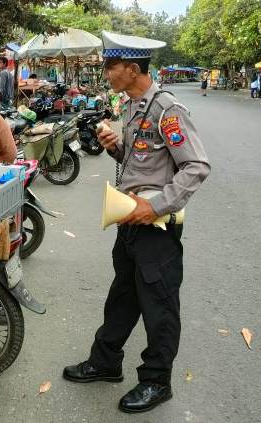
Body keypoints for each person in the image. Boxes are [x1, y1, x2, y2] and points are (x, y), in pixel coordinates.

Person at [62, 31, 210, 414]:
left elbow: (196, 167)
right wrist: (115, 147)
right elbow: (139, 161)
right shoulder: (131, 106)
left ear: (131, 68)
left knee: (159, 306)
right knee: (123, 297)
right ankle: (106, 361)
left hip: (155, 228)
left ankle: (157, 381)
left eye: (111, 66)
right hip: (129, 219)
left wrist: (157, 205)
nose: (106, 72)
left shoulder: (167, 109)